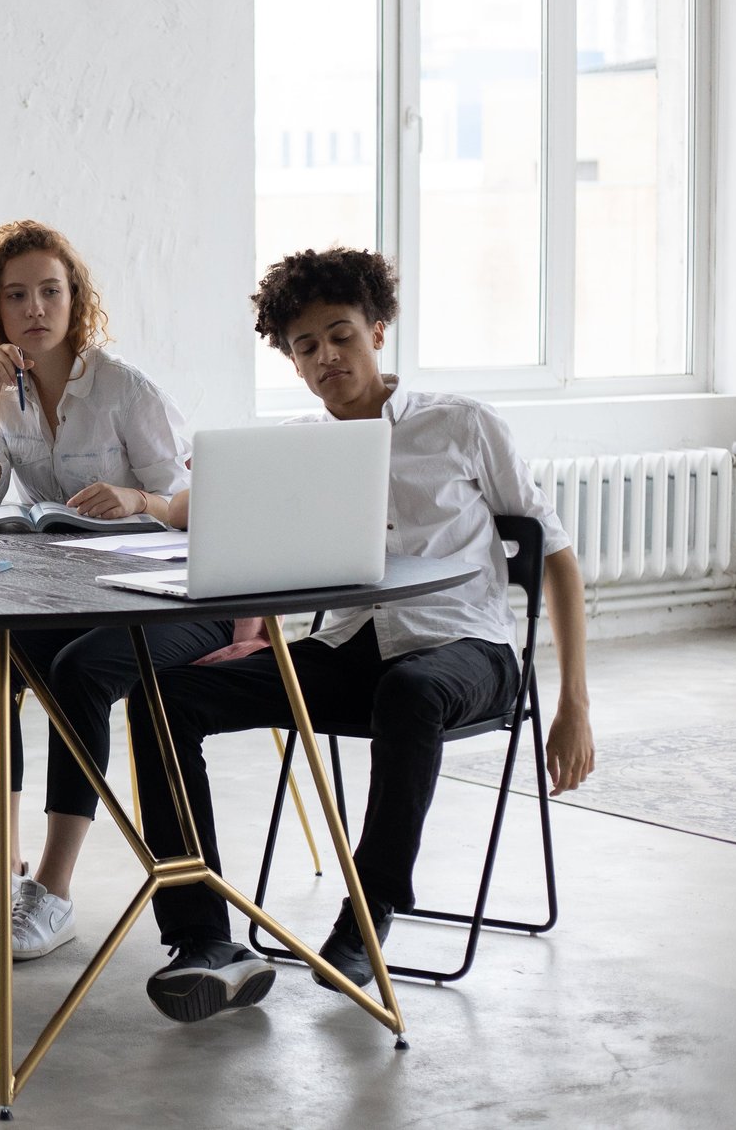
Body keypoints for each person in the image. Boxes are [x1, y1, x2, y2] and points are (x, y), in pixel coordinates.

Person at [133, 247, 596, 1024]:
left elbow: (557, 556)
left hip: (468, 651)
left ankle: (368, 912)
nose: (325, 358)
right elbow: (243, 536)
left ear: (378, 329)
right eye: (305, 346)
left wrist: (575, 702)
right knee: (164, 696)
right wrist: (257, 629)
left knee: (411, 691)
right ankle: (203, 938)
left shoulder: (461, 424)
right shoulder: (298, 446)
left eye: (341, 335)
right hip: (351, 648)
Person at [0, 219, 228, 961]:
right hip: (73, 595)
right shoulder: (5, 392)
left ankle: (53, 887)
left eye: (50, 291)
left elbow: (197, 501)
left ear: (76, 300)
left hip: (170, 597)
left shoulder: (124, 388)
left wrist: (142, 501)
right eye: (16, 296)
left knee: (79, 673)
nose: (35, 308)